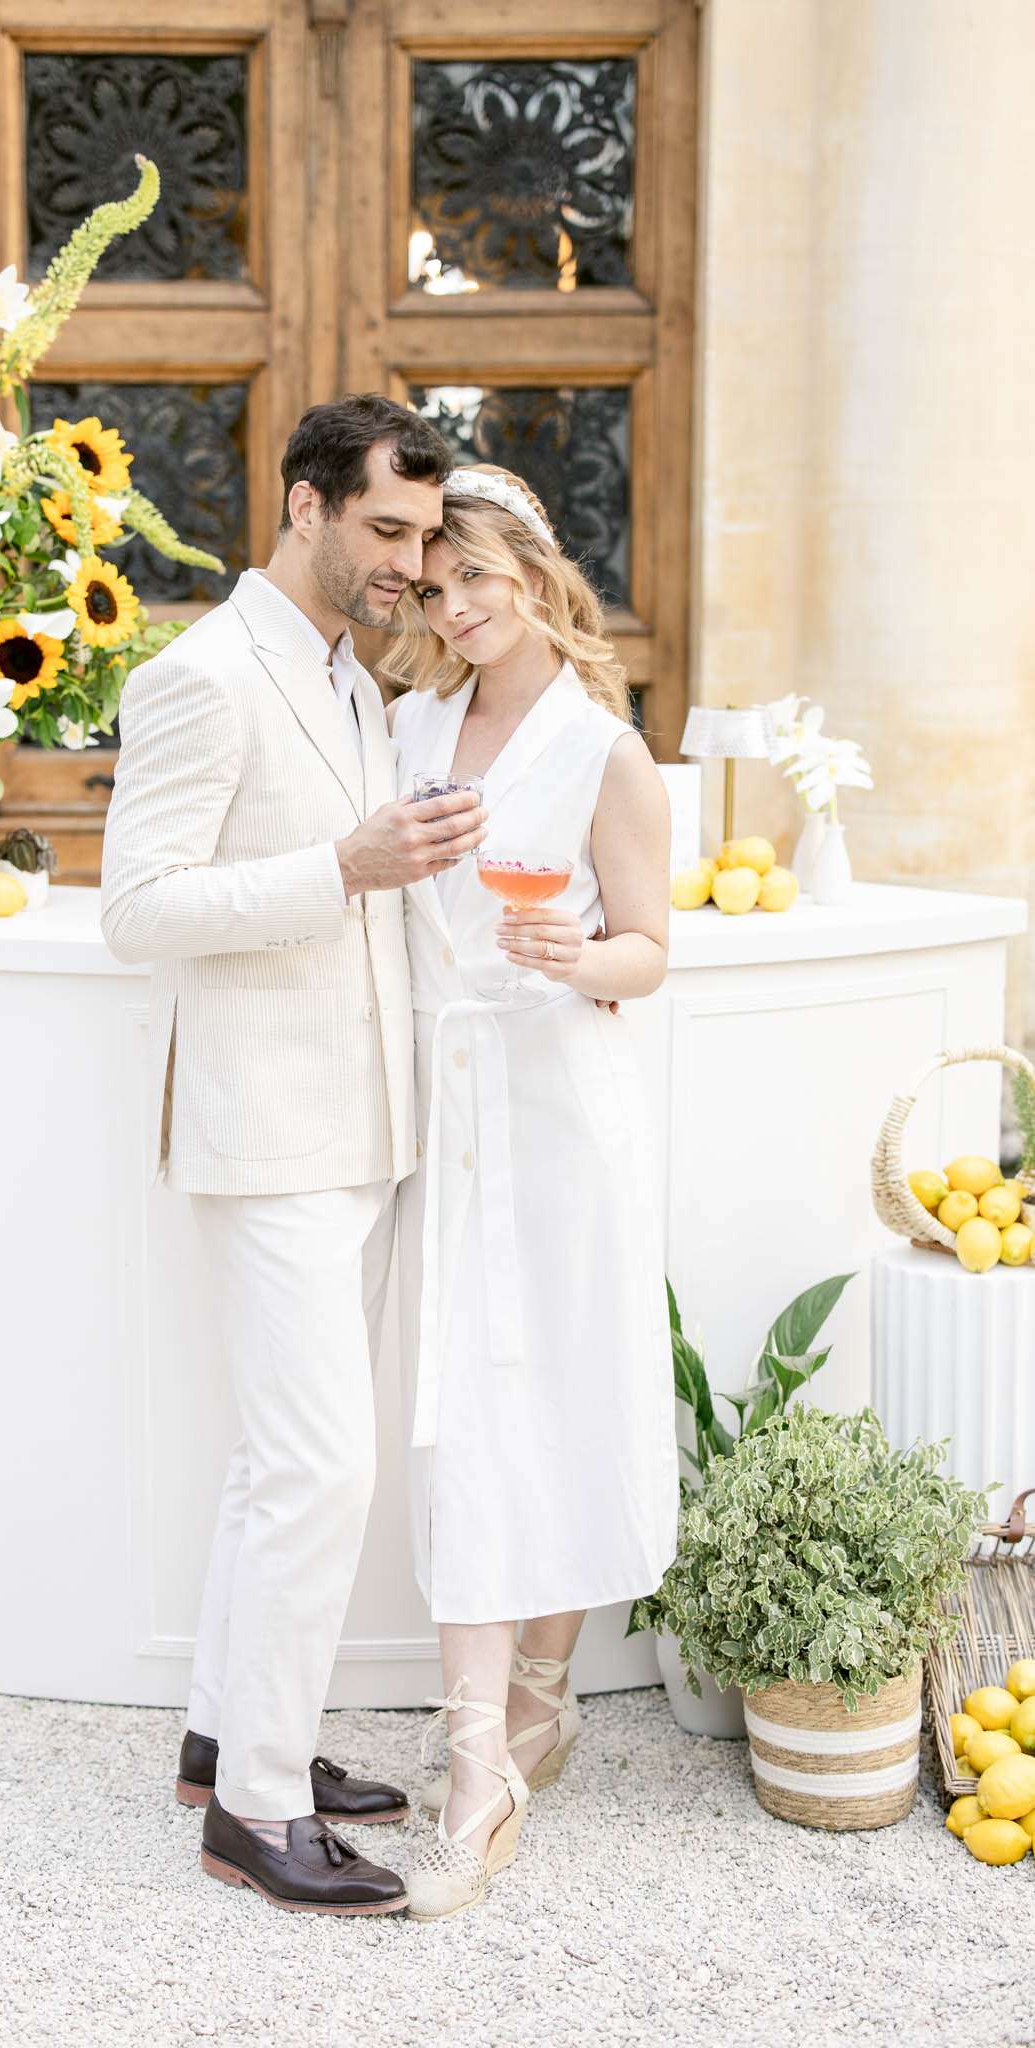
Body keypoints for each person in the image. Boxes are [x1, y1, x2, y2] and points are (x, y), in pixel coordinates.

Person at [98, 396, 489, 1917]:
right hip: (266, 1142)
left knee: (282, 1465)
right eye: (383, 530)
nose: (403, 563)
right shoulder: (204, 675)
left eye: (420, 538)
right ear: (305, 506)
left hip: (364, 1130)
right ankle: (253, 1812)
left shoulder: (353, 680)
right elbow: (138, 910)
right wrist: (337, 868)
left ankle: (226, 1736)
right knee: (319, 1468)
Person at [382, 462, 680, 1922]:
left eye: (477, 579)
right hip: (448, 1106)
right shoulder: (414, 723)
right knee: (461, 1414)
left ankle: (544, 1691)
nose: (456, 608)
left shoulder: (601, 751)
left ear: (536, 572)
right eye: (435, 588)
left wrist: (577, 959)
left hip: (562, 1106)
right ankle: (473, 1765)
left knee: (555, 1388)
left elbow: (647, 950)